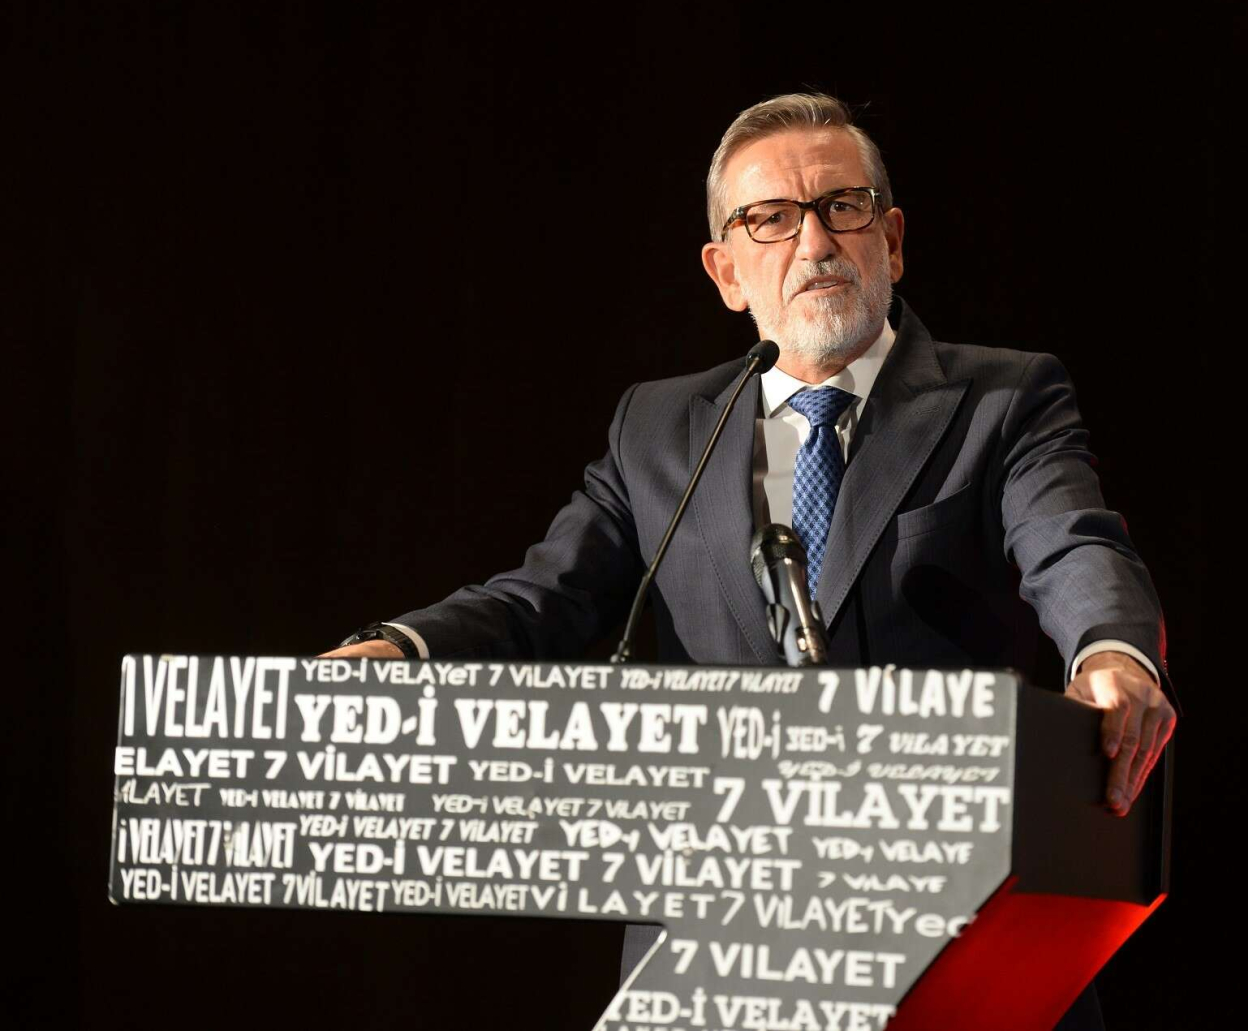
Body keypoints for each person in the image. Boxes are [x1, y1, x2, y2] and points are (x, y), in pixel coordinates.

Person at [326, 93, 1176, 1029]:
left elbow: (1070, 541)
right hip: (716, 947)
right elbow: (542, 597)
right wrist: (400, 649)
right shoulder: (657, 428)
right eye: (769, 218)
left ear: (891, 241)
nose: (813, 243)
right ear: (726, 271)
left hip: (954, 940)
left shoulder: (1003, 399)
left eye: (841, 207)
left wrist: (1111, 655)